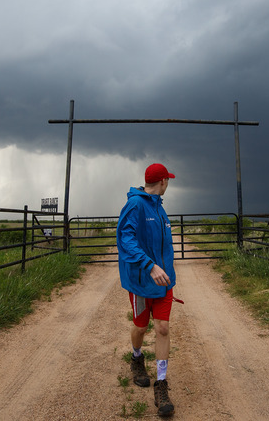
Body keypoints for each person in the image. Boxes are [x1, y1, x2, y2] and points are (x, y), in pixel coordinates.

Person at [116, 163, 177, 417]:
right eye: (168, 180)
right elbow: (125, 238)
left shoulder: (159, 208)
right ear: (162, 181)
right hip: (141, 284)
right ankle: (137, 357)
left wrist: (165, 271)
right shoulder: (136, 205)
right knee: (141, 327)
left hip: (164, 284)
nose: (168, 183)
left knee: (162, 327)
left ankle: (161, 384)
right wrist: (149, 266)